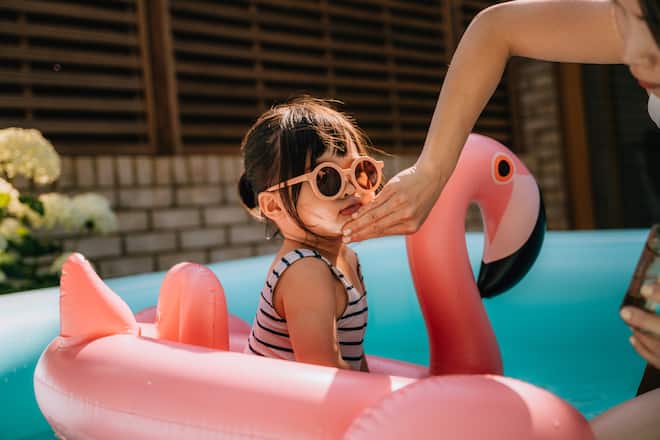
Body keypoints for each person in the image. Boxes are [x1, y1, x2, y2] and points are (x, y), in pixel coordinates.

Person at [338, 0, 660, 438]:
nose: (637, 51)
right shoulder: (638, 33)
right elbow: (497, 29)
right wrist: (433, 170)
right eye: (626, 9)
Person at [237, 97, 384, 372]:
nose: (352, 187)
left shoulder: (346, 257)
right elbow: (324, 371)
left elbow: (350, 352)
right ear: (274, 205)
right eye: (327, 178)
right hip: (276, 407)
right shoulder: (306, 270)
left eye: (360, 171)